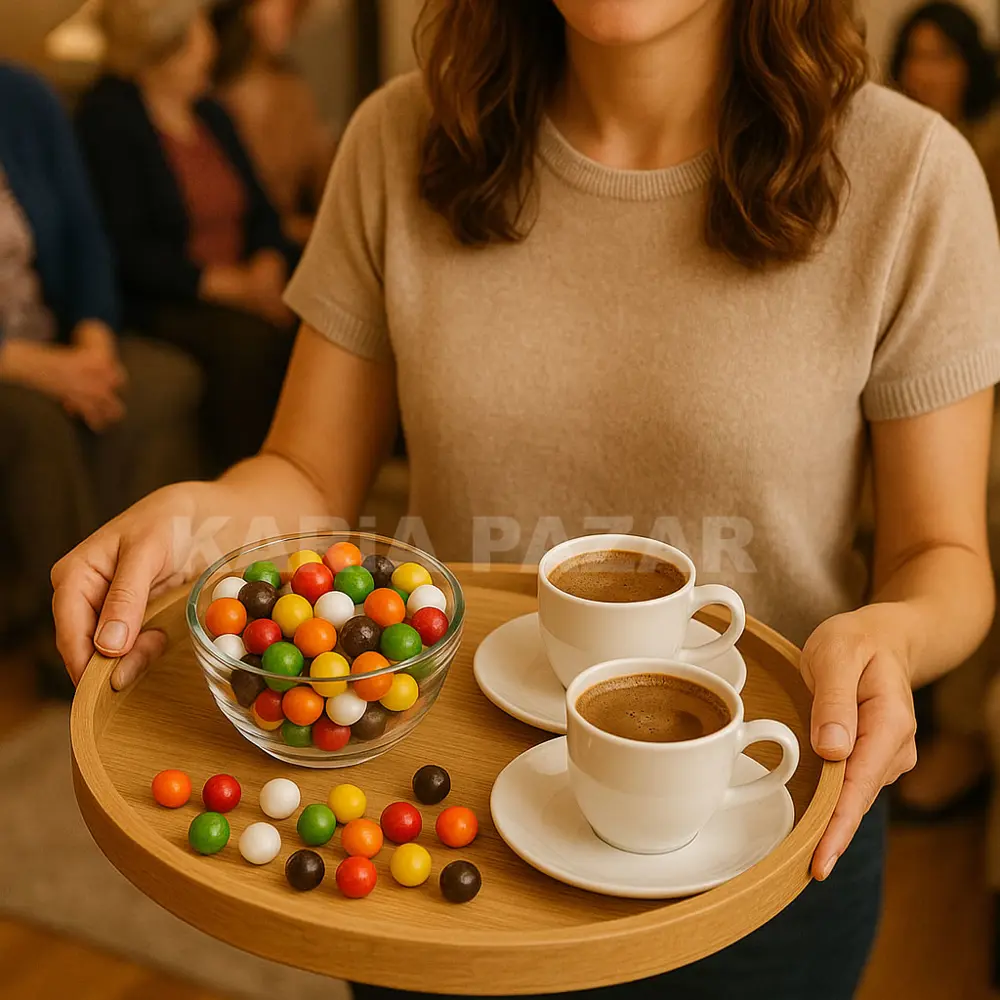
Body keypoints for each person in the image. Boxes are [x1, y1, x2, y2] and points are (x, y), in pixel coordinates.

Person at [54, 0, 1000, 997]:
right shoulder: (395, 140)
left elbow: (941, 557)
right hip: (446, 833)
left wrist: (891, 635)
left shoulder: (911, 176)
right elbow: (305, 477)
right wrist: (199, 513)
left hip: (753, 829)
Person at [0, 61, 201, 686]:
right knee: (36, 426)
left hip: (54, 336)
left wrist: (92, 338)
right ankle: (64, 641)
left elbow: (87, 235)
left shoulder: (24, 96)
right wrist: (42, 369)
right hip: (14, 364)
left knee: (163, 382)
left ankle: (142, 603)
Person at [75, 0, 299, 473]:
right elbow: (130, 251)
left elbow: (261, 210)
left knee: (320, 315)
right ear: (166, 49)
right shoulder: (108, 118)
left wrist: (266, 264)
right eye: (201, 34)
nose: (213, 46)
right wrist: (234, 288)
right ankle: (243, 483)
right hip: (170, 296)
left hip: (245, 282)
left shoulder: (211, 113)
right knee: (250, 344)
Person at [889, 1, 1000, 817]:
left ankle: (962, 733)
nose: (929, 71)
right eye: (915, 55)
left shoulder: (971, 156)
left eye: (944, 57)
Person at [211, 0, 335, 245]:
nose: (291, 13)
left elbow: (325, 181)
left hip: (293, 246)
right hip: (237, 253)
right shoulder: (207, 99)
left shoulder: (293, 90)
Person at [892, 1, 1000, 212]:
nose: (923, 75)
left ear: (969, 66)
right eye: (915, 57)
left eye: (939, 58)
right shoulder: (895, 144)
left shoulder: (991, 149)